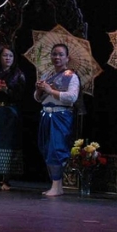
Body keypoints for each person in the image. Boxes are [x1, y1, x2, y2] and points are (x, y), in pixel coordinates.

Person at [34, 43, 80, 197]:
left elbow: (72, 97)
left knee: (56, 149)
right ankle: (55, 184)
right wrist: (39, 90)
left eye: (61, 54)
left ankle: (57, 185)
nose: (57, 57)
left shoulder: (71, 76)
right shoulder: (47, 75)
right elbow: (38, 99)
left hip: (61, 116)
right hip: (46, 114)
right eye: (54, 54)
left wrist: (50, 90)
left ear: (67, 58)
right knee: (45, 148)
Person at [0, 45, 26, 190]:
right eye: (5, 55)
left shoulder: (18, 74)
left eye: (10, 56)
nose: (8, 58)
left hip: (11, 111)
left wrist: (7, 90)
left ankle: (6, 180)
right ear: (0, 57)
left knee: (9, 144)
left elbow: (21, 97)